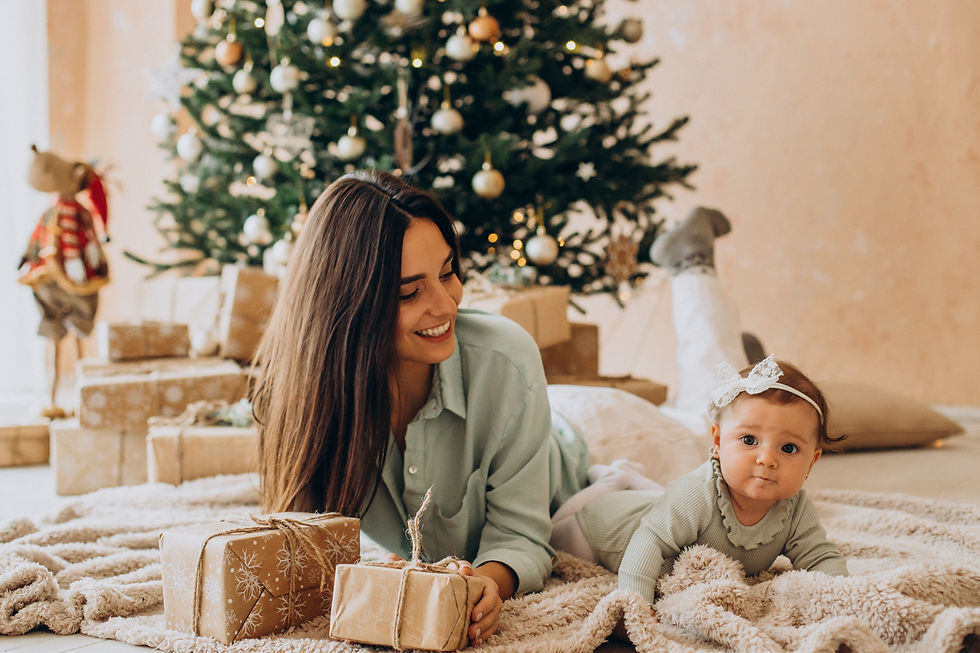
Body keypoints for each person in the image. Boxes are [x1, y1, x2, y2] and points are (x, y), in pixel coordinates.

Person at [252, 170, 589, 647]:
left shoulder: (507, 359)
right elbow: (299, 545)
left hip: (578, 444)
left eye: (447, 273)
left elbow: (522, 535)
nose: (445, 305)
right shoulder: (297, 396)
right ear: (346, 307)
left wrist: (483, 584)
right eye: (409, 292)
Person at [552, 356, 849, 606]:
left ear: (812, 461)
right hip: (598, 527)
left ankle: (626, 478)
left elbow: (821, 557)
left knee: (662, 505)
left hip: (655, 508)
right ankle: (612, 480)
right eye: (749, 440)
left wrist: (843, 599)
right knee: (550, 537)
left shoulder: (795, 509)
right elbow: (648, 542)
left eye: (789, 448)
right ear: (718, 442)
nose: (767, 459)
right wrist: (635, 603)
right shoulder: (697, 492)